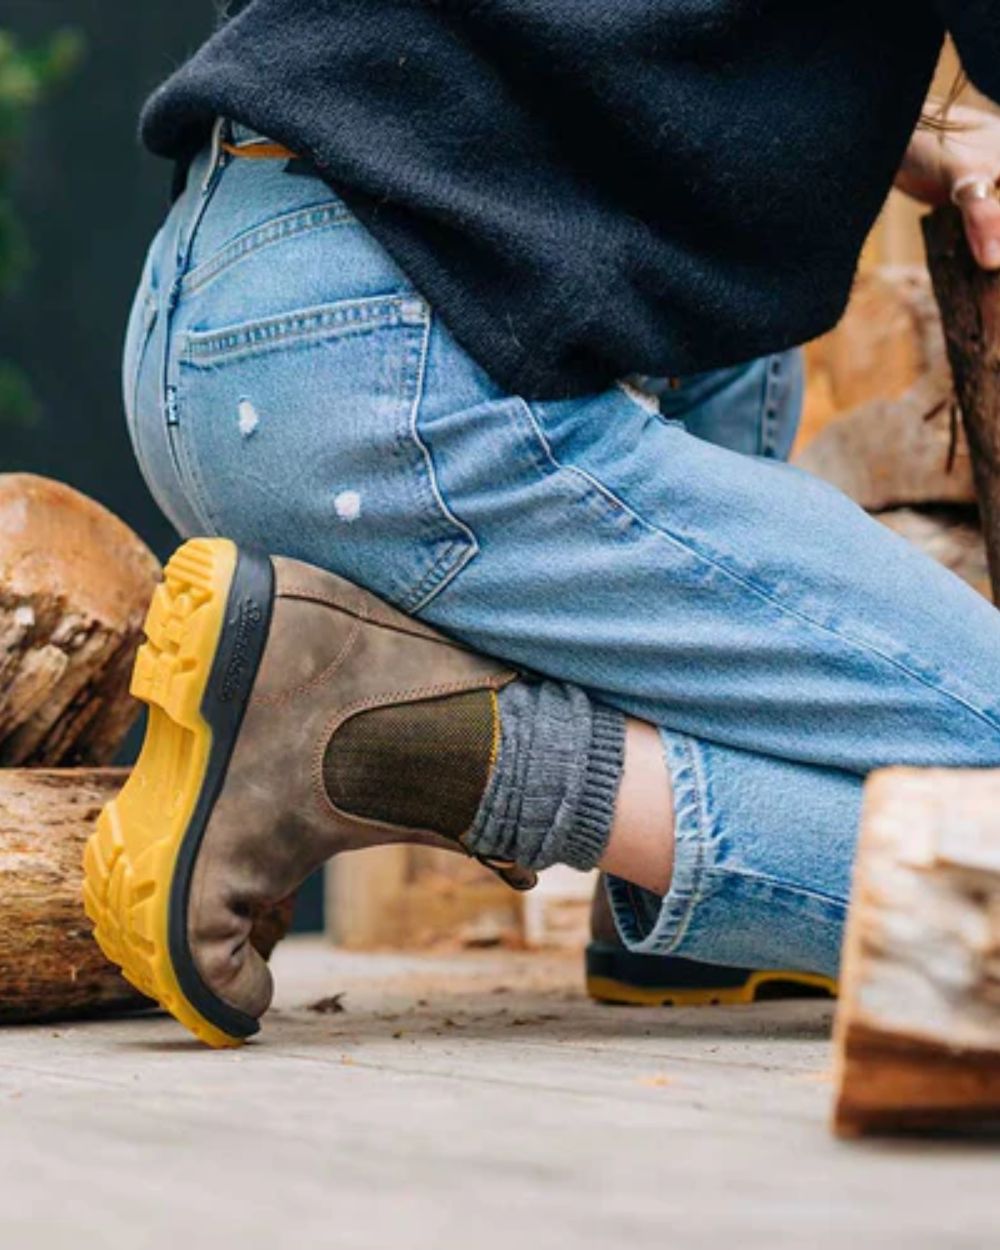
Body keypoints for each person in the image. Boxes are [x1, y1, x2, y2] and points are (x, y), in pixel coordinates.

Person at [86, 2, 1000, 1047]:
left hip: (224, 306)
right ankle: (407, 741)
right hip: (405, 385)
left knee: (744, 336)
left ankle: (697, 919)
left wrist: (891, 121)